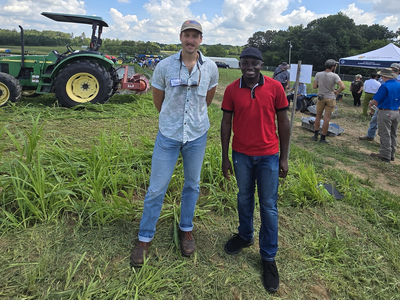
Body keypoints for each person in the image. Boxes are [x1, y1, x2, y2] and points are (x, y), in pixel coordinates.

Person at [130, 20, 219, 266]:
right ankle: (145, 237)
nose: (191, 40)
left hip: (197, 135)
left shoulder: (210, 67)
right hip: (168, 136)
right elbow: (158, 101)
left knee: (192, 185)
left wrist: (190, 121)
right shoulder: (164, 66)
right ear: (180, 37)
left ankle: (186, 229)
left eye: (195, 36)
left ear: (201, 39)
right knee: (156, 188)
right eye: (187, 35)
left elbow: (207, 100)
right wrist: (173, 119)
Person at [220, 47, 290, 293]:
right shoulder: (231, 89)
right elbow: (226, 122)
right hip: (241, 155)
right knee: (243, 197)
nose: (249, 67)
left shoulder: (275, 87)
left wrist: (284, 157)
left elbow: (283, 122)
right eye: (245, 63)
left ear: (262, 64)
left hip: (269, 156)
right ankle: (245, 234)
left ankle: (268, 257)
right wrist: (224, 157)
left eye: (254, 63)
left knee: (268, 205)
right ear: (240, 64)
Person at [311, 59, 346, 143]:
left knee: (318, 116)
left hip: (320, 97)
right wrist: (337, 91)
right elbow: (343, 87)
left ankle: (315, 135)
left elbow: (314, 87)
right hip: (330, 98)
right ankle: (323, 137)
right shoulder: (335, 76)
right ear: (333, 67)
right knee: (326, 118)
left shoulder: (318, 74)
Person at [369, 68, 400, 162]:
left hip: (385, 111)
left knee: (384, 133)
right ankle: (392, 154)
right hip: (396, 112)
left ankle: (385, 154)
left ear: (385, 76)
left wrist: (371, 104)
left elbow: (376, 99)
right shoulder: (398, 85)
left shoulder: (385, 86)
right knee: (393, 133)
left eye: (382, 76)